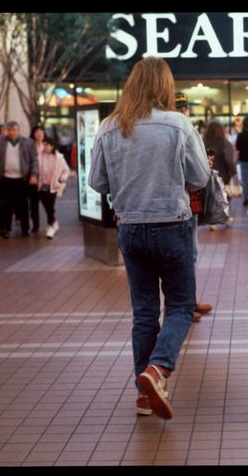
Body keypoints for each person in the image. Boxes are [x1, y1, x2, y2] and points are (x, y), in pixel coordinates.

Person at [89, 57, 210, 419]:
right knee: (180, 306)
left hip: (130, 228)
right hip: (172, 225)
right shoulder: (178, 124)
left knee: (144, 313)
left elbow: (97, 182)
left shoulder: (111, 126)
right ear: (166, 87)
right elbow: (200, 177)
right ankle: (157, 370)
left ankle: (143, 396)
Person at [175, 92, 216, 321]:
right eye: (179, 107)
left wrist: (205, 165)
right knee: (184, 255)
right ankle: (183, 306)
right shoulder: (178, 132)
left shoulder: (189, 131)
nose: (183, 111)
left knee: (191, 253)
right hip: (179, 204)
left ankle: (189, 300)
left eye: (184, 107)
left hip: (190, 202)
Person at [0, 121, 38, 239]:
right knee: (5, 205)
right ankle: (5, 229)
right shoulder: (1, 142)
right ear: (7, 131)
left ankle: (25, 229)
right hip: (6, 178)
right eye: (10, 130)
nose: (12, 132)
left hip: (22, 179)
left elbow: (34, 161)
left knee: (23, 205)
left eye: (14, 130)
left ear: (18, 131)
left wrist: (34, 175)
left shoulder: (28, 143)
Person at [203, 119, 237, 231]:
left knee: (211, 196)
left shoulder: (203, 142)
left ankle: (213, 221)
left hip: (206, 173)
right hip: (222, 173)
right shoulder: (224, 143)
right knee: (224, 196)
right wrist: (233, 171)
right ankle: (225, 218)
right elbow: (228, 159)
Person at [36, 137, 70, 239]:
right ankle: (53, 222)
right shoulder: (39, 156)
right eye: (44, 144)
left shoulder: (59, 157)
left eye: (47, 145)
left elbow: (66, 170)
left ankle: (50, 226)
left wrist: (60, 180)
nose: (45, 147)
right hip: (42, 185)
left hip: (53, 186)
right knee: (46, 206)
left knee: (50, 207)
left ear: (52, 145)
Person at [29, 125, 46, 233]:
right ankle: (35, 225)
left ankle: (51, 222)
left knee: (47, 203)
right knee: (33, 203)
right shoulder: (30, 146)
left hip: (46, 179)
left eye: (41, 131)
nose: (39, 134)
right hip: (33, 179)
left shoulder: (48, 145)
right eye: (37, 132)